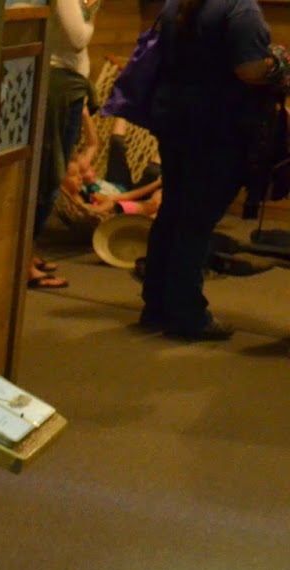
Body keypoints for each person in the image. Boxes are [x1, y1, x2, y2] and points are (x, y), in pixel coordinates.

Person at [141, 0, 285, 339]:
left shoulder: (176, 3)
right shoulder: (240, 9)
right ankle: (187, 314)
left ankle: (156, 306)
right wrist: (279, 63)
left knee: (173, 214)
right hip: (218, 129)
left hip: (175, 119)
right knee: (196, 223)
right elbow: (249, 70)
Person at [31, 0, 104, 289]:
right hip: (60, 85)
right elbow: (77, 38)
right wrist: (93, 9)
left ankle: (28, 251)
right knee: (49, 175)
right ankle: (23, 262)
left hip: (67, 84)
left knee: (51, 174)